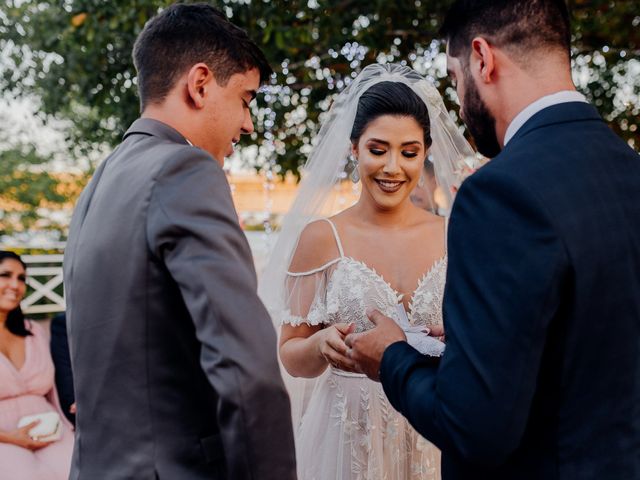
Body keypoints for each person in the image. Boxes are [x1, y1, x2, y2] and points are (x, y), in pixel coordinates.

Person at [345, 1, 640, 479]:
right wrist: (472, 338)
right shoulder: (630, 171)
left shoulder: (500, 192)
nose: (459, 107)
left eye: (457, 81)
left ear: (482, 59)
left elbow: (474, 428)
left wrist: (393, 358)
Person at [63, 4, 296, 479]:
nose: (248, 124)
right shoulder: (185, 171)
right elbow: (245, 371)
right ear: (200, 83)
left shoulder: (99, 183)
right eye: (246, 99)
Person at [260, 63, 476, 480]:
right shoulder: (321, 238)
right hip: (346, 441)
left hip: (430, 427)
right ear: (354, 148)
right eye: (378, 150)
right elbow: (291, 355)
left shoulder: (454, 234)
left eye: (409, 153)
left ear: (425, 153)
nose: (393, 168)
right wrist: (320, 344)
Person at [0, 251, 74, 480]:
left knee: (80, 469)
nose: (16, 284)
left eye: (22, 278)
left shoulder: (34, 331)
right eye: (6, 275)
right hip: (4, 436)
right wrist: (11, 438)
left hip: (51, 430)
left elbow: (54, 392)